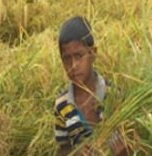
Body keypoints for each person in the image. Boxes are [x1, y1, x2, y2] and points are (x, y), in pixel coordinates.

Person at [53, 16, 130, 156]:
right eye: (66, 59)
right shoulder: (62, 105)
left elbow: (133, 142)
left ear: (93, 53)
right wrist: (75, 152)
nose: (73, 66)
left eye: (79, 56)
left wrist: (124, 153)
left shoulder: (113, 95)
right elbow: (62, 148)